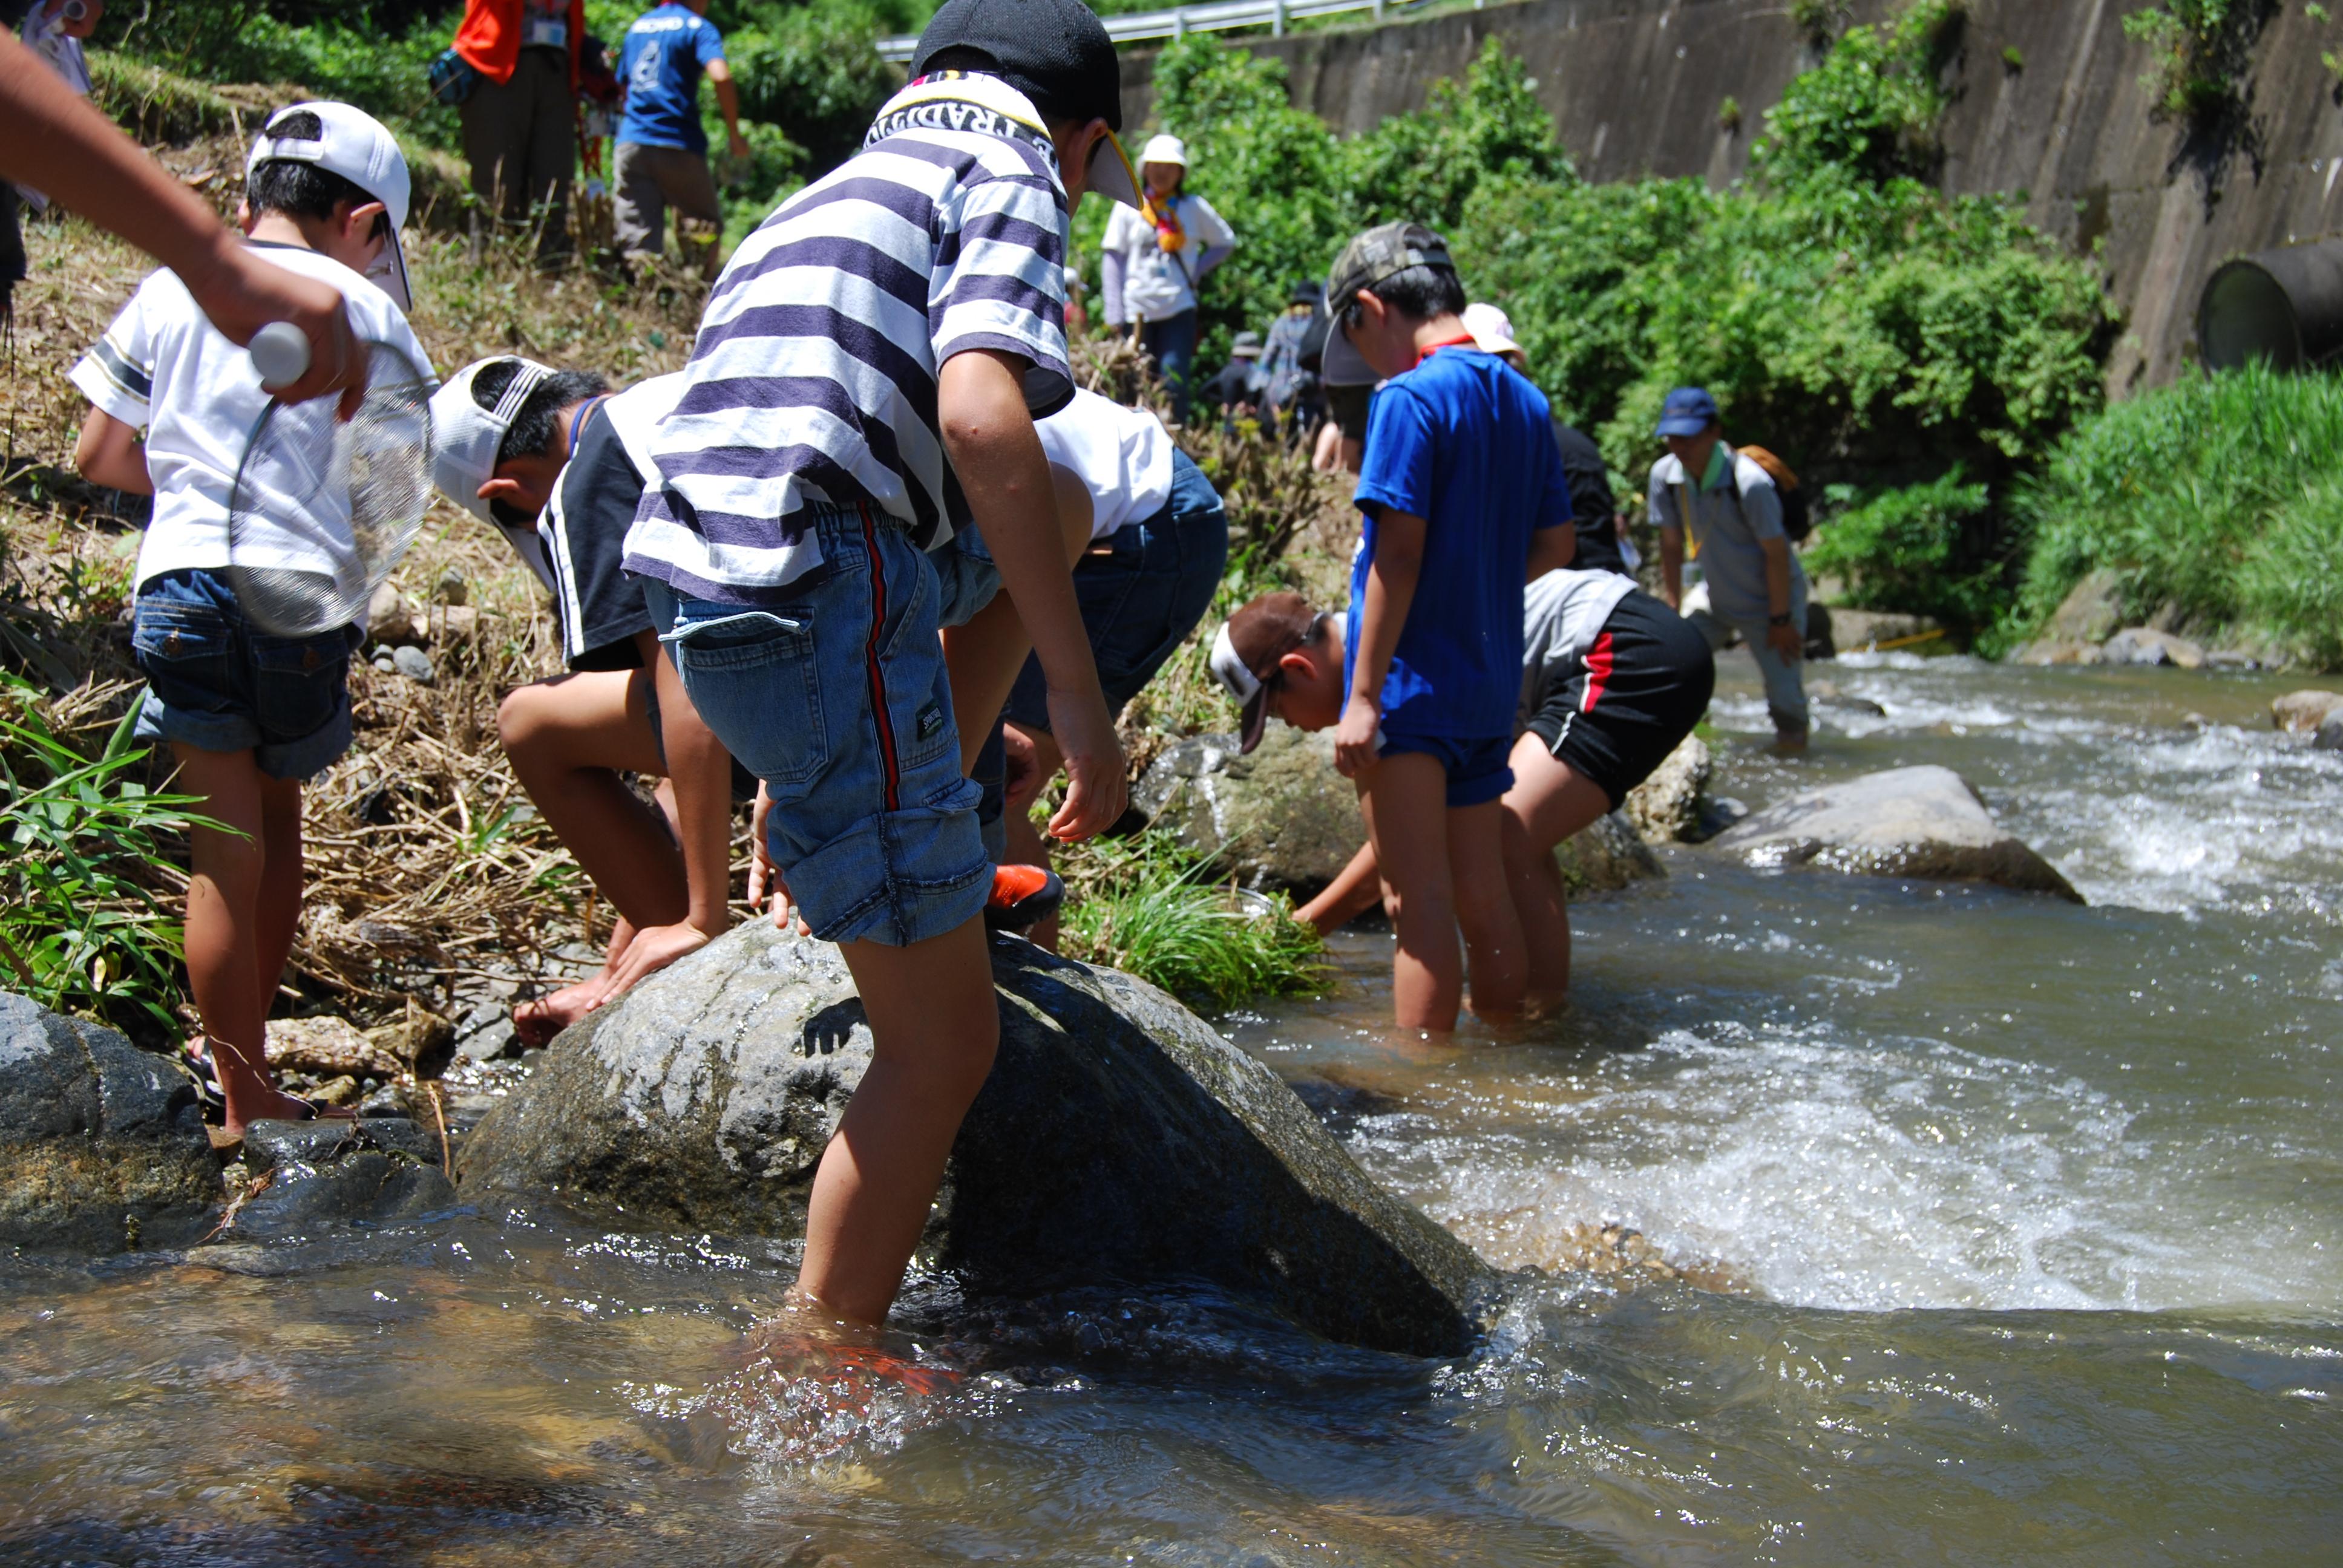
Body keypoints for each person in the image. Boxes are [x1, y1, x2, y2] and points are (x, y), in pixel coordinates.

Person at [622, 0, 1139, 1328]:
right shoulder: (1009, 166)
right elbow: (979, 411)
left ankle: (860, 801)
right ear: (1080, 140)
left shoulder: (819, 195)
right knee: (945, 1043)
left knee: (1066, 502)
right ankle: (823, 1351)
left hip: (715, 606)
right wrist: (1075, 694)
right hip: (830, 592)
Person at [69, 103, 433, 1137]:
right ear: (365, 223)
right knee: (277, 829)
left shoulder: (171, 286)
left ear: (247, 200)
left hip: (182, 584)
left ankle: (229, 1073)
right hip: (303, 598)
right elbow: (391, 496)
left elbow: (100, 455)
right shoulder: (376, 319)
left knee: (221, 848)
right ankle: (249, 1076)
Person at [1267, 221, 1576, 1033]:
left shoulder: (1406, 397)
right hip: (1485, 685)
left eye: (1354, 335)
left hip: (1410, 686)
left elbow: (1396, 558)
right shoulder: (1524, 399)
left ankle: (1427, 1087)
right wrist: (1474, 583)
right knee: (1482, 889)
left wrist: (1362, 698)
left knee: (1416, 903)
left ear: (1370, 308)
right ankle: (1506, 1042)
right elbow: (1556, 544)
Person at [428, 357, 758, 1042]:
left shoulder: (592, 468)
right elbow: (678, 746)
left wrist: (699, 917)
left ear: (507, 488)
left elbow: (687, 696)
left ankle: (692, 966)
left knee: (531, 722)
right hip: (937, 643)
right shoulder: (665, 403)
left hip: (795, 685)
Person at [1274, 570, 1714, 1004]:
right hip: (1646, 641)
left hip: (1625, 648)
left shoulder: (1389, 669)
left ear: (1300, 667)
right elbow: (1419, 830)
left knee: (1501, 836)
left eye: (1278, 710)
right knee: (1512, 837)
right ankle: (1540, 1011)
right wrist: (1310, 925)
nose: (1293, 726)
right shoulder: (1379, 650)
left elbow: (1409, 846)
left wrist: (1307, 926)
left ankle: (1524, 1018)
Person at [0, 31, 369, 411]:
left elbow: (96, 453)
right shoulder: (373, 312)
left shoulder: (165, 289)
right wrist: (215, 267)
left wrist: (215, 264)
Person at [998, 386, 1230, 947]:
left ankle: (1039, 1007)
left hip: (1147, 522)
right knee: (965, 770)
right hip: (1056, 511)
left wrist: (1074, 695)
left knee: (989, 785)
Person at [1648, 386, 1810, 750]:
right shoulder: (1665, 477)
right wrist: (1671, 611)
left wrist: (1782, 620)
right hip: (1716, 598)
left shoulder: (1749, 483)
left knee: (1786, 705)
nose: (1680, 447)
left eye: (1689, 437)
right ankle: (1696, 747)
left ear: (1714, 432)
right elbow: (1670, 547)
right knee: (1673, 665)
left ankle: (1796, 769)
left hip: (1771, 604)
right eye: (1672, 438)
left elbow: (1777, 554)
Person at [1461, 302, 1631, 577]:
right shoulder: (1566, 441)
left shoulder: (1517, 444)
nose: (1492, 372)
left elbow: (1559, 548)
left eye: (1497, 362)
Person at [1101, 133, 1234, 422]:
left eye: (1170, 166)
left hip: (1178, 307)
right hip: (1136, 309)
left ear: (1181, 172)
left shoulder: (1193, 208)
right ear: (1144, 168)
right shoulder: (1129, 205)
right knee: (1132, 382)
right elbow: (1113, 259)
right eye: (1156, 165)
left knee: (1174, 381)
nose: (1162, 172)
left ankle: (1174, 444)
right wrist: (1114, 312)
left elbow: (1225, 241)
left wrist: (1196, 271)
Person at [612, 0, 748, 277]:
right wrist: (734, 135)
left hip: (631, 143)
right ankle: (694, 297)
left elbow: (623, 89)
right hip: (676, 142)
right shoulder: (698, 27)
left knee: (637, 240)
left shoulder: (638, 26)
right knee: (703, 227)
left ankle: (643, 305)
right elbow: (721, 76)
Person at [451, 0, 585, 267]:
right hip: (496, 61)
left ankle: (549, 273)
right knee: (497, 178)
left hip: (558, 64)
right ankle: (489, 266)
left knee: (554, 177)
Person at [1259, 279, 1325, 439]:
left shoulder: (1281, 323)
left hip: (1281, 394)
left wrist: (1270, 395)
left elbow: (1265, 364)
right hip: (1312, 391)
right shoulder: (1319, 323)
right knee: (1310, 441)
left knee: (1285, 439)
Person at [1193, 330, 1264, 419]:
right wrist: (1247, 403)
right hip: (1247, 422)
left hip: (1229, 421)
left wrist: (1225, 402)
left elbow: (1203, 391)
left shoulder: (1226, 371)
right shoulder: (1251, 370)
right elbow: (1256, 390)